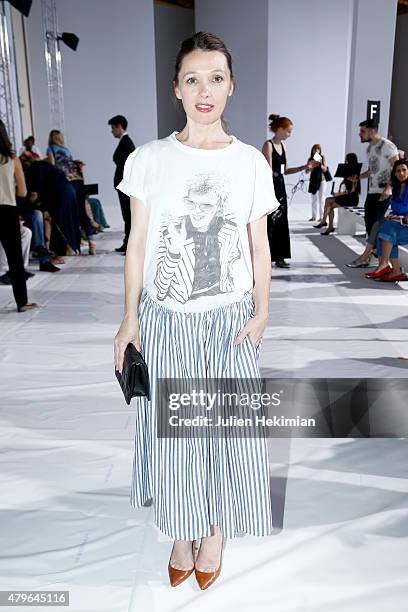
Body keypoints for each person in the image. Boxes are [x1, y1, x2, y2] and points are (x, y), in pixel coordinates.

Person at [114, 31, 279, 590]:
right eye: (192, 79)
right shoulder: (149, 160)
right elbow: (138, 244)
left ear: (231, 86)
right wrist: (129, 319)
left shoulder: (251, 163)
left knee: (224, 434)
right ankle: (182, 530)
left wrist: (261, 313)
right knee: (174, 435)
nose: (204, 90)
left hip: (229, 324)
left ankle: (214, 533)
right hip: (166, 320)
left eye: (215, 78)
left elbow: (260, 246)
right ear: (176, 88)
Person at [262, 114, 317, 268]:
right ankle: (266, 257)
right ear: (279, 129)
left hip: (280, 188)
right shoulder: (268, 145)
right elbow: (267, 171)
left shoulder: (283, 147)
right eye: (288, 131)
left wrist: (304, 167)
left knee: (281, 222)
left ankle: (280, 257)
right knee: (270, 223)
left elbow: (283, 171)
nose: (290, 135)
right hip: (271, 188)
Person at [0, 120, 38, 312]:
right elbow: (23, 191)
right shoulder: (12, 159)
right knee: (15, 260)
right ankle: (22, 302)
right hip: (7, 210)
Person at [46, 130, 96, 255]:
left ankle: (70, 246)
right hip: (77, 182)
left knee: (68, 215)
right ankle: (91, 243)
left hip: (65, 183)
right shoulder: (67, 150)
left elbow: (52, 166)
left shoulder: (51, 149)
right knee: (81, 212)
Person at [364, 158, 408, 282]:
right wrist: (393, 214)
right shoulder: (397, 188)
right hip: (399, 225)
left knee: (386, 230)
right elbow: (398, 209)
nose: (401, 173)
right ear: (395, 174)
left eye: (404, 170)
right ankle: (395, 271)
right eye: (398, 171)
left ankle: (383, 265)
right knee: (384, 229)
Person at [358, 119, 399, 237]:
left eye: (362, 131)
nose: (359, 134)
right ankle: (374, 252)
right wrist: (358, 177)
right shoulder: (369, 149)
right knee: (369, 223)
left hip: (384, 192)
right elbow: (372, 171)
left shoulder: (388, 146)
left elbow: (396, 167)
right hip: (372, 191)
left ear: (372, 132)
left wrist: (389, 188)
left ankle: (380, 253)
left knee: (378, 224)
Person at [314, 153, 361, 234]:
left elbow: (352, 191)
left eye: (347, 159)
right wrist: (338, 192)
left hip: (352, 199)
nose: (345, 161)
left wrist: (338, 194)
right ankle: (329, 226)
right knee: (329, 203)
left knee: (329, 202)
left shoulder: (355, 174)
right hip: (347, 197)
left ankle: (325, 222)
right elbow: (344, 186)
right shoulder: (347, 173)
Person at [108, 115, 135, 253]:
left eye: (113, 128)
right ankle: (127, 243)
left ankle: (130, 245)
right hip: (124, 185)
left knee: (128, 216)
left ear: (119, 126)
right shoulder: (125, 142)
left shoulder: (126, 142)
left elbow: (129, 164)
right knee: (127, 216)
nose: (112, 131)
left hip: (126, 186)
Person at [305, 144, 329, 222]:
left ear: (320, 150)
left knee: (321, 198)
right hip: (313, 180)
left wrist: (320, 163)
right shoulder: (310, 159)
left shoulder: (322, 158)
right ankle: (313, 216)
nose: (316, 150)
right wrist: (310, 167)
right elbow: (306, 171)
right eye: (314, 149)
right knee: (313, 199)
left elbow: (325, 169)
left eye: (318, 149)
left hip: (322, 180)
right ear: (312, 150)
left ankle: (322, 217)